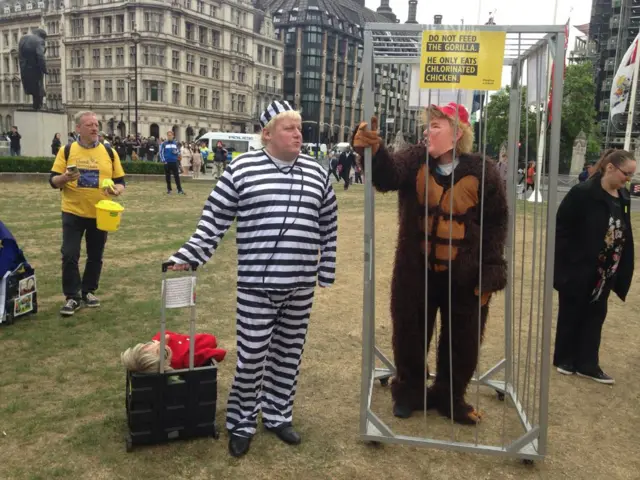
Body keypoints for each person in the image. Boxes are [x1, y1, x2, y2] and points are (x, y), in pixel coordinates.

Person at [167, 100, 338, 458]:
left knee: (288, 355)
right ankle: (241, 422)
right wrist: (187, 256)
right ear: (267, 134)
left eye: (299, 127)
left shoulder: (317, 173)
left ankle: (277, 415)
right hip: (256, 287)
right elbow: (213, 221)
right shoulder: (242, 169)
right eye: (289, 128)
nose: (298, 133)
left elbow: (328, 224)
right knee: (251, 357)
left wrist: (326, 270)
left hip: (300, 286)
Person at [352, 103, 508, 424]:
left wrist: (492, 272)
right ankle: (409, 393)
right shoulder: (414, 159)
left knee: (463, 340)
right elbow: (386, 176)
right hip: (415, 271)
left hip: (466, 276)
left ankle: (451, 397)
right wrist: (374, 149)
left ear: (458, 133)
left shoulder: (484, 171)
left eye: (436, 125)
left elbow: (496, 224)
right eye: (429, 125)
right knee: (409, 333)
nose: (427, 131)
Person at [553, 148, 636, 384]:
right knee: (572, 310)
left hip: (607, 269)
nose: (628, 179)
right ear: (610, 168)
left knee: (596, 314)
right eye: (626, 174)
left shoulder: (623, 196)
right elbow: (562, 228)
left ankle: (588, 363)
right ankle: (565, 359)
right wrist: (568, 261)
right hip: (579, 266)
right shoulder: (583, 193)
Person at [49, 111, 126, 316]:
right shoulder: (66, 151)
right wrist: (65, 178)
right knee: (69, 254)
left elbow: (121, 182)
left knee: (95, 255)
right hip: (72, 211)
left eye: (96, 125)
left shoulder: (110, 152)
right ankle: (72, 297)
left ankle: (88, 291)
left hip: (100, 213)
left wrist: (116, 191)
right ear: (78, 129)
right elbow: (53, 180)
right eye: (89, 125)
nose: (94, 128)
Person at [121, 331, 227, 373]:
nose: (157, 343)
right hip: (200, 343)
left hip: (197, 342)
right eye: (163, 351)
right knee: (210, 340)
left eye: (149, 343)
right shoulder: (185, 360)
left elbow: (164, 335)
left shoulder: (159, 347)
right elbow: (217, 354)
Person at [159, 131, 185, 195]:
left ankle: (179, 190)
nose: (169, 136)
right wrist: (164, 161)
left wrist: (176, 152)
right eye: (168, 135)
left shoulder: (176, 143)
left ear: (173, 136)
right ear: (167, 136)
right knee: (168, 177)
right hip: (167, 162)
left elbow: (179, 152)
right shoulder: (164, 143)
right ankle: (169, 190)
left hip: (174, 162)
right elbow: (161, 153)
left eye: (170, 135)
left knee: (177, 177)